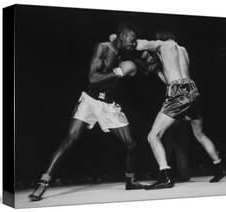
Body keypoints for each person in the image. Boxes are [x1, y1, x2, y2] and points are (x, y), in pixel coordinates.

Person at [28, 23, 145, 201]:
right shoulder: (102, 47)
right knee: (70, 139)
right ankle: (43, 182)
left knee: (131, 144)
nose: (134, 43)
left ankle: (130, 180)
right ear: (122, 36)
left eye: (135, 41)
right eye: (132, 39)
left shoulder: (123, 53)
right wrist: (120, 71)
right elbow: (93, 77)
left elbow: (138, 58)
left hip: (108, 105)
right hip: (90, 100)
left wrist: (138, 63)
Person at [135, 30, 226, 190]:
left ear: (160, 38)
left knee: (153, 136)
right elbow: (172, 76)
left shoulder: (162, 44)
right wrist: (157, 70)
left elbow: (138, 44)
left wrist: (117, 38)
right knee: (199, 134)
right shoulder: (183, 50)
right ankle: (219, 167)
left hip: (178, 92)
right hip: (193, 90)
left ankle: (165, 176)